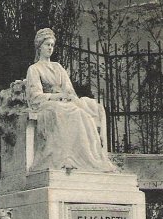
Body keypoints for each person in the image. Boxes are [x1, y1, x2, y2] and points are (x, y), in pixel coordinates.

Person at [25, 28, 115, 173]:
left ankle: (88, 157)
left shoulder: (58, 67)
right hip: (46, 104)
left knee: (83, 112)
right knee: (61, 110)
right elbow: (35, 96)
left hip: (64, 102)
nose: (50, 48)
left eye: (52, 45)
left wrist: (68, 96)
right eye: (47, 44)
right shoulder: (34, 69)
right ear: (39, 46)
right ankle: (65, 157)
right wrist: (55, 96)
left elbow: (69, 89)